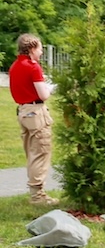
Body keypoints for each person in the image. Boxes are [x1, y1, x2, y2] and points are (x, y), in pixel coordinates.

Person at [8, 34, 58, 205]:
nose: (42, 52)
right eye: (40, 48)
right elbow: (43, 94)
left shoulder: (15, 66)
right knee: (41, 152)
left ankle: (34, 191)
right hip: (36, 112)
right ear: (31, 49)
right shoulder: (33, 67)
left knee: (31, 152)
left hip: (23, 111)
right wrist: (51, 88)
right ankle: (37, 195)